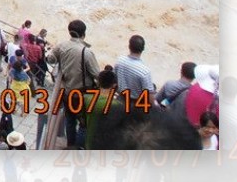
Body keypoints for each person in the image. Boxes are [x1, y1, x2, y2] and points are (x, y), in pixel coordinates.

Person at [46, 19, 101, 148]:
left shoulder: (62, 46)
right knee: (83, 123)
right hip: (81, 95)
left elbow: (50, 59)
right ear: (84, 34)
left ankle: (70, 145)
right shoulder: (86, 52)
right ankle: (79, 147)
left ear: (69, 32)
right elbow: (96, 74)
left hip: (65, 92)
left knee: (69, 121)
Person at [114, 34, 155, 101]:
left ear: (129, 46)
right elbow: (150, 97)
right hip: (136, 104)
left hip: (120, 99)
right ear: (143, 49)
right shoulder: (145, 71)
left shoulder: (119, 61)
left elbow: (114, 80)